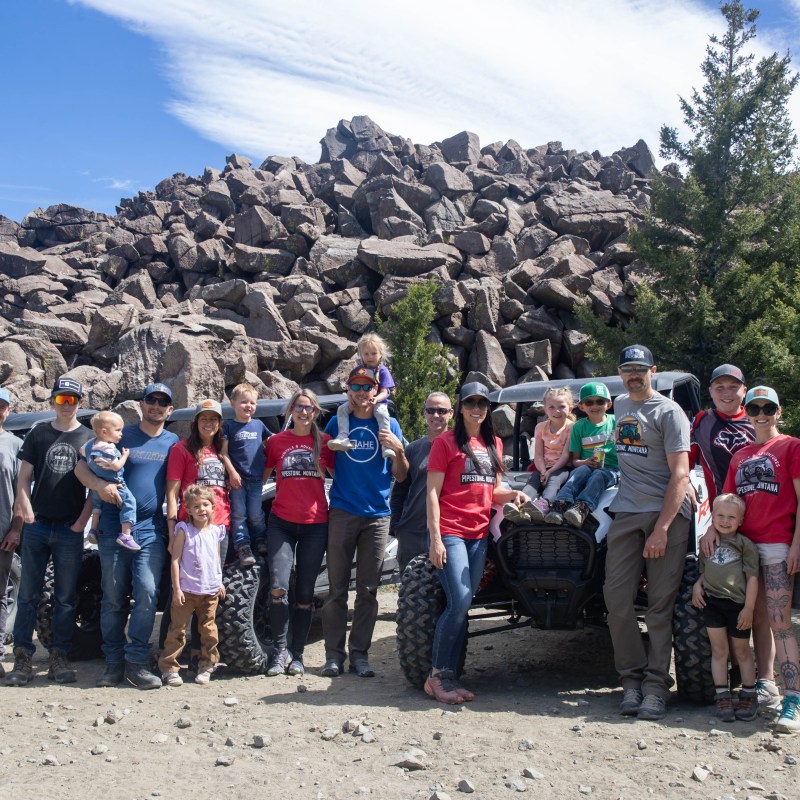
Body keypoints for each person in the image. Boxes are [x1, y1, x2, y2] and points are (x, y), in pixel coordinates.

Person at [603, 344, 692, 721]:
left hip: (665, 513)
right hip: (626, 510)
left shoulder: (669, 412)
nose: (634, 375)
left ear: (653, 370)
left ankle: (656, 687)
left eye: (640, 368)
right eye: (628, 369)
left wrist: (663, 528)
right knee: (616, 599)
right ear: (620, 373)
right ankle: (631, 681)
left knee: (659, 605)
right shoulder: (620, 405)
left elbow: (681, 474)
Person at [425, 382, 527, 704]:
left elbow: (492, 490)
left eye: (482, 403)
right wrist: (436, 539)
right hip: (451, 532)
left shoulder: (493, 442)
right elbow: (431, 492)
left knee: (464, 605)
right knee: (459, 602)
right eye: (471, 403)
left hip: (479, 535)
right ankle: (437, 676)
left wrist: (513, 494)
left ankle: (450, 676)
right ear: (461, 408)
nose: (477, 409)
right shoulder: (444, 443)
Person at [75, 382, 178, 690]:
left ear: (170, 409)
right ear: (142, 404)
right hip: (111, 526)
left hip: (150, 529)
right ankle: (113, 662)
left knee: (147, 592)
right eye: (151, 400)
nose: (156, 406)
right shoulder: (119, 433)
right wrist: (98, 486)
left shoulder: (173, 441)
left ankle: (136, 661)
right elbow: (81, 467)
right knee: (113, 596)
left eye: (163, 402)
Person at [5, 377, 93, 687]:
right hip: (38, 525)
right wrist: (23, 506)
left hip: (70, 528)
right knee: (28, 595)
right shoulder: (39, 433)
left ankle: (59, 656)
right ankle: (23, 657)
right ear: (53, 401)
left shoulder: (89, 438)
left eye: (71, 400)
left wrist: (83, 520)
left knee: (66, 597)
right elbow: (23, 477)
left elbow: (96, 485)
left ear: (79, 403)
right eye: (60, 400)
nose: (65, 405)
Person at [321, 365, 408, 678]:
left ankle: (360, 655)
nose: (361, 393)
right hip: (343, 511)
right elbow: (326, 461)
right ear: (348, 390)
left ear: (376, 390)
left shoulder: (390, 425)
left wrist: (398, 450)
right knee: (336, 589)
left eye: (367, 387)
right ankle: (333, 656)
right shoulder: (336, 422)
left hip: (377, 516)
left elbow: (401, 474)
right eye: (355, 387)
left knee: (369, 590)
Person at [723, 386, 800, 734]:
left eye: (767, 407)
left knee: (780, 621)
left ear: (778, 411)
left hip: (776, 544)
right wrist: (712, 530)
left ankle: (793, 700)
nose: (761, 413)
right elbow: (728, 501)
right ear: (747, 412)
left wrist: (797, 544)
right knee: (753, 619)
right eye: (754, 407)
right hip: (743, 548)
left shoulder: (791, 446)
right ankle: (764, 687)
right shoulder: (740, 455)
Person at [263, 389, 334, 677]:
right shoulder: (277, 442)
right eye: (300, 407)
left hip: (315, 525)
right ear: (291, 410)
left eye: (310, 409)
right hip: (281, 522)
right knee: (278, 589)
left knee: (305, 594)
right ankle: (279, 652)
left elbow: (342, 477)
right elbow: (261, 476)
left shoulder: (326, 443)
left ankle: (298, 655)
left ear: (316, 413)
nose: (305, 413)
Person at [691, 493, 759, 721]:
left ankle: (749, 692)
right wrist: (697, 586)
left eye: (731, 516)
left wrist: (748, 608)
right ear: (712, 517)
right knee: (719, 651)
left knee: (741, 651)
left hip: (737, 606)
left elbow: (752, 578)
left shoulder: (745, 545)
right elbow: (704, 571)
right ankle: (722, 695)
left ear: (741, 520)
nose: (725, 520)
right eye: (720, 515)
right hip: (713, 603)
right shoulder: (707, 541)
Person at [159, 485, 226, 686]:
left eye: (205, 505)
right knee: (177, 630)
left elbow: (215, 558)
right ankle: (169, 667)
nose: (201, 509)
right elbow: (175, 560)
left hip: (210, 591)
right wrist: (177, 588)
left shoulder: (216, 531)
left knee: (208, 630)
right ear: (188, 509)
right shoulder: (184, 530)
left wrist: (219, 581)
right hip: (186, 591)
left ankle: (207, 665)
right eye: (196, 506)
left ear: (213, 507)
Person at [391, 392, 454, 572]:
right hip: (413, 533)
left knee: (446, 591)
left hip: (449, 532)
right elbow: (400, 490)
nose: (435, 415)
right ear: (424, 413)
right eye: (430, 410)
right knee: (413, 594)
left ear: (451, 413)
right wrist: (397, 526)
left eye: (441, 411)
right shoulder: (413, 449)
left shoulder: (460, 448)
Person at [544, 382, 618, 528]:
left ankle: (582, 507)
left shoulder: (616, 421)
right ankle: (560, 504)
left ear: (608, 404)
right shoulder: (579, 427)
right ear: (582, 406)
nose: (595, 406)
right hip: (587, 466)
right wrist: (585, 462)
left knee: (599, 475)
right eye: (589, 402)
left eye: (600, 401)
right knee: (581, 471)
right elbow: (575, 460)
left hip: (612, 468)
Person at [503, 386, 574, 525]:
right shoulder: (540, 427)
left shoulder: (572, 428)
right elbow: (538, 455)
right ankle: (521, 506)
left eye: (561, 406)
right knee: (532, 482)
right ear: (545, 409)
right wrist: (542, 471)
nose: (557, 411)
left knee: (553, 481)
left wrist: (550, 471)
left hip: (563, 467)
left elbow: (566, 455)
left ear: (570, 408)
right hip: (543, 466)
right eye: (552, 407)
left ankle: (545, 504)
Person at [220, 383, 271, 564]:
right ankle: (243, 546)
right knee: (239, 514)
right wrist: (232, 473)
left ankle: (261, 540)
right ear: (232, 403)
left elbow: (271, 444)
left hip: (257, 478)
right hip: (237, 480)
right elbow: (223, 453)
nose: (248, 406)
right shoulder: (229, 426)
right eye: (243, 402)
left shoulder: (259, 425)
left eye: (252, 402)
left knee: (256, 513)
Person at [691, 364, 755, 506]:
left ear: (744, 391)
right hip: (723, 517)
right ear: (710, 391)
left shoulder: (758, 419)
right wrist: (686, 483)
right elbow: (684, 461)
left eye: (733, 387)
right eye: (719, 387)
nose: (726, 393)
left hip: (759, 512)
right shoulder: (701, 421)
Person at [329, 333, 396, 458]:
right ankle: (343, 436)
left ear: (381, 353)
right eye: (366, 354)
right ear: (361, 355)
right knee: (342, 409)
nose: (370, 357)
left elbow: (385, 392)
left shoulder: (382, 371)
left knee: (382, 414)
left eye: (374, 353)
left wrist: (376, 399)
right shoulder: (358, 370)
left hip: (378, 402)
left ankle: (386, 444)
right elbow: (350, 389)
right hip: (358, 403)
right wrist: (350, 399)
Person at [83, 410, 139, 551]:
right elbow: (116, 466)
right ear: (104, 432)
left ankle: (93, 529)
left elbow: (82, 452)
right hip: (115, 482)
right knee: (130, 503)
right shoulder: (107, 448)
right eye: (118, 430)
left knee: (97, 507)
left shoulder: (91, 444)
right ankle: (126, 535)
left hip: (97, 486)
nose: (121, 433)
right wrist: (125, 456)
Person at [0, 388, 22, 678]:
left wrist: (16, 528)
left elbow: (21, 493)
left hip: (3, 530)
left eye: (2, 406)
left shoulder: (15, 445)